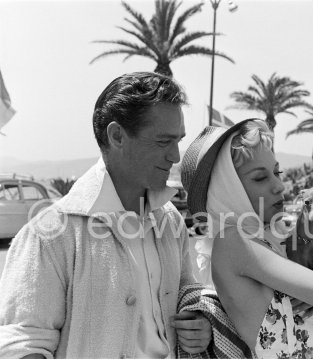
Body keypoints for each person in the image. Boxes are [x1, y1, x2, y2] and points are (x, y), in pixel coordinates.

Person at [0, 72, 212, 359]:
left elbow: (189, 295)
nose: (176, 156)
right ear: (117, 136)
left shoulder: (170, 221)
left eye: (178, 141)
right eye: (164, 141)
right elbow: (23, 344)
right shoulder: (50, 233)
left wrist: (200, 324)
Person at [180, 119, 313, 358]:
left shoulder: (278, 236)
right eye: (260, 178)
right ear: (226, 189)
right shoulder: (232, 241)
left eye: (276, 172)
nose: (279, 186)